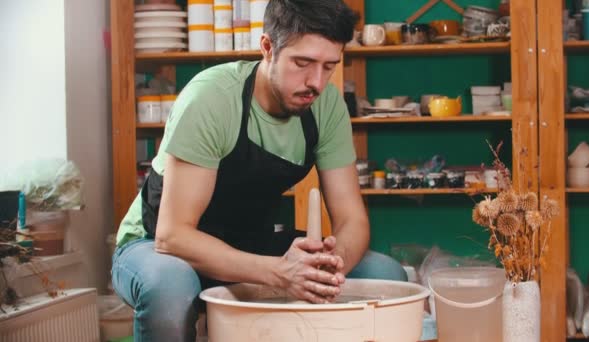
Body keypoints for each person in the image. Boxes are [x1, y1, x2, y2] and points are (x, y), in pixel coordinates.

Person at [112, 0, 405, 340]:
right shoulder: (211, 99)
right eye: (302, 63)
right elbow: (172, 236)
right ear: (267, 47)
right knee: (169, 288)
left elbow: (352, 220)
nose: (316, 82)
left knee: (386, 273)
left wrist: (328, 266)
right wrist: (281, 272)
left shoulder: (326, 106)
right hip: (156, 246)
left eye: (329, 66)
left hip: (248, 245)